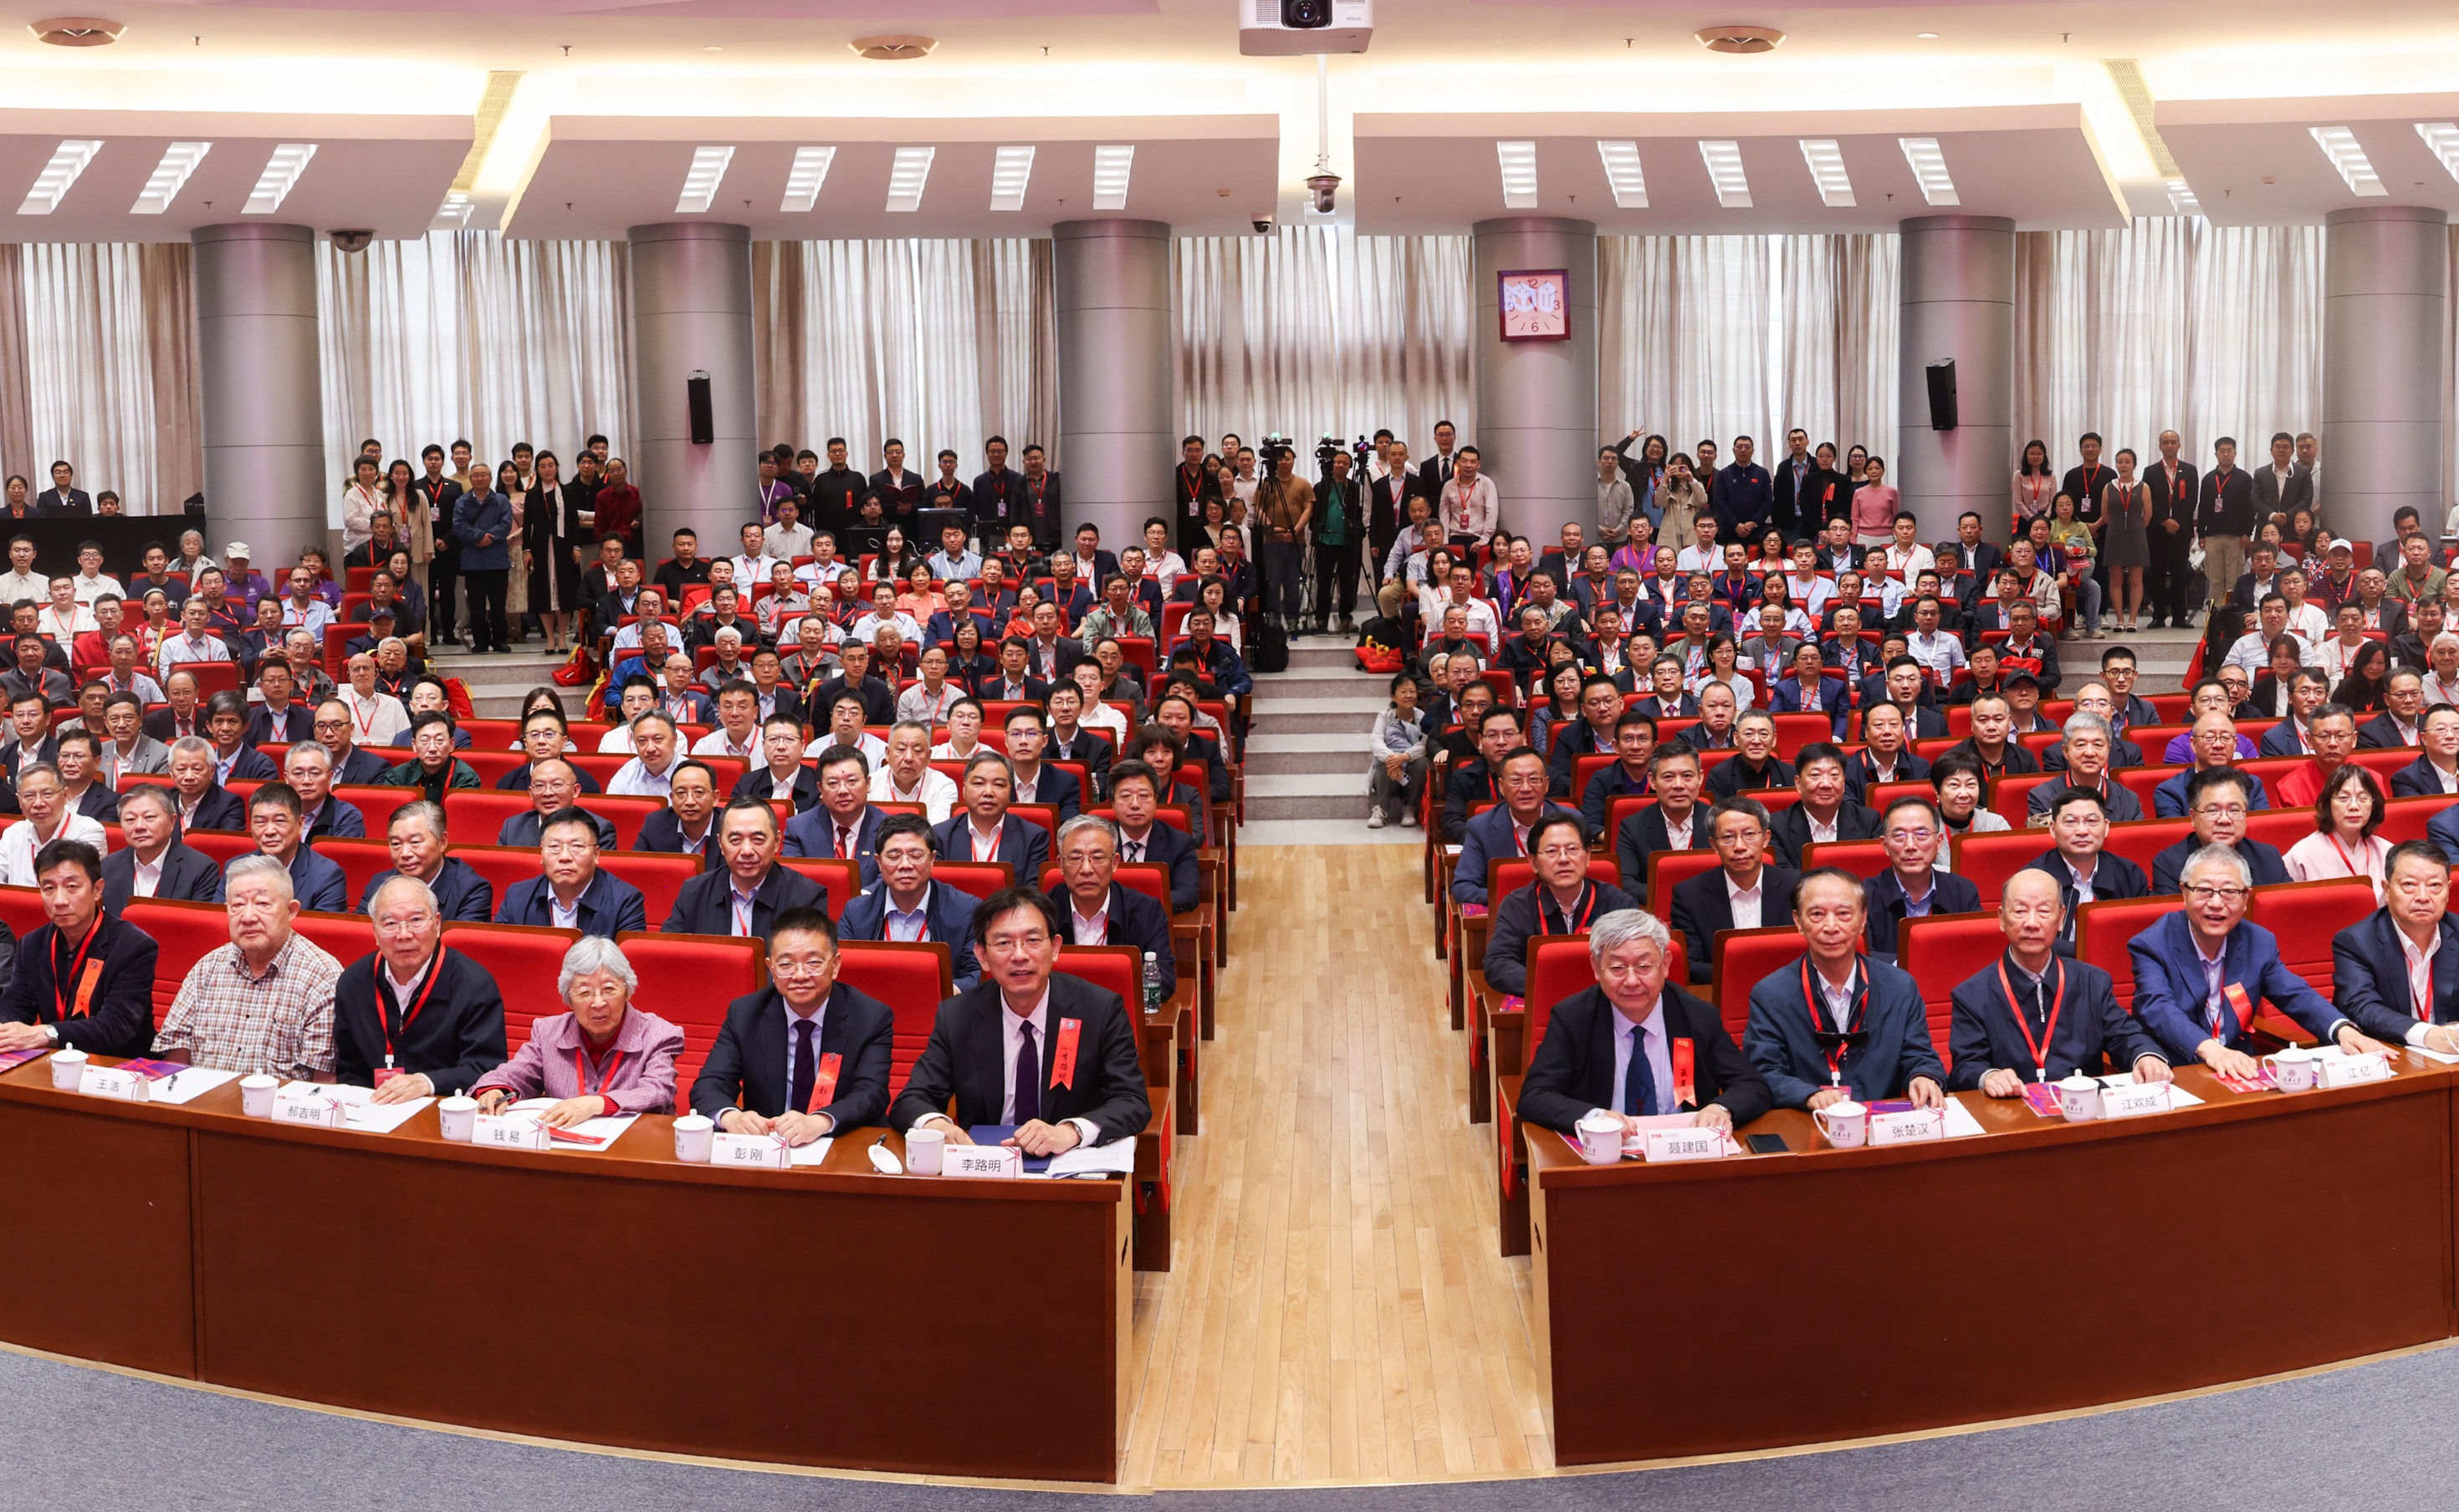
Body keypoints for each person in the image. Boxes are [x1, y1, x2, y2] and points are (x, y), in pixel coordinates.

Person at [887, 886, 1152, 1153]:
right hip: (987, 1165)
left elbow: (1132, 1101)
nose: (1019, 955)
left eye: (1033, 940)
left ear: (1056, 947)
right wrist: (938, 1125)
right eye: (1003, 943)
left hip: (1070, 1162)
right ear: (982, 957)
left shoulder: (1100, 1009)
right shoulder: (958, 1015)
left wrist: (1071, 1131)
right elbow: (912, 1099)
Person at [2131, 844, 2391, 1075]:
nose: (2216, 903)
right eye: (2204, 890)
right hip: (2174, 1069)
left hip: (2239, 1066)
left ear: (2246, 898)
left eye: (2229, 892)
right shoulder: (2153, 943)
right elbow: (2158, 1008)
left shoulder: (2258, 942)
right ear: (2184, 893)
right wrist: (2211, 1050)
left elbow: (2295, 994)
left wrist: (2342, 1030)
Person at [1516, 908, 1771, 1137]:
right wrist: (1594, 1117)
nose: (1631, 981)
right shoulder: (1573, 1019)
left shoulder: (1697, 1016)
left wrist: (1721, 1108)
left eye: (1644, 966)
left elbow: (1751, 1085)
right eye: (1617, 967)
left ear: (1666, 965)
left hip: (1684, 1154)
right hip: (1607, 1157)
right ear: (1596, 967)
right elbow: (1535, 1097)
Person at [1947, 869, 2172, 1093]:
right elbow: (1965, 1066)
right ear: (2002, 919)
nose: (2032, 923)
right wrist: (1989, 1076)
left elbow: (2126, 1037)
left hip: (2081, 1110)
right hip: (2010, 1109)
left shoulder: (2092, 982)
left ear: (2062, 918)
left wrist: (2146, 1057)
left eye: (2044, 911)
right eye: (2020, 911)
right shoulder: (1972, 995)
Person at [1744, 868, 1945, 1110]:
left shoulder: (1900, 987)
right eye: (1817, 914)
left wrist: (1923, 1076)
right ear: (1798, 922)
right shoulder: (1770, 995)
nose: (1831, 926)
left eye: (1844, 914)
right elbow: (1763, 1073)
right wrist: (1808, 1095)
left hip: (1881, 1123)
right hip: (1809, 1123)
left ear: (1862, 920)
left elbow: (1920, 1056)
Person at [689, 906, 896, 1142]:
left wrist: (820, 1121)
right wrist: (732, 1117)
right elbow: (709, 1084)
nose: (800, 975)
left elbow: (872, 1093)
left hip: (840, 1141)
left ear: (835, 965)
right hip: (769, 1146)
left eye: (813, 962)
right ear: (771, 969)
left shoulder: (870, 1017)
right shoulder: (745, 1013)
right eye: (786, 964)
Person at [156, 855, 342, 1080]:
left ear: (291, 911)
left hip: (277, 1110)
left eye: (262, 904)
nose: (248, 917)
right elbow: (177, 1055)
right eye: (237, 905)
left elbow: (323, 1080)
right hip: (202, 1106)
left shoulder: (322, 976)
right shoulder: (208, 968)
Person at [331, 874, 508, 1100]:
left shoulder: (475, 984)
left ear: (436, 924)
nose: (404, 935)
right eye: (390, 923)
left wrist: (428, 1082)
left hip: (446, 1108)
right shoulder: (353, 982)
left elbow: (486, 1066)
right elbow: (350, 1067)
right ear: (375, 932)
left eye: (416, 920)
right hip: (373, 1108)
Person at [470, 937, 685, 1122]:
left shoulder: (659, 1035)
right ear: (569, 1000)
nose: (598, 1003)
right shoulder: (548, 1032)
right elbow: (515, 1074)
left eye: (609, 989)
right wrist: (496, 1090)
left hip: (633, 1150)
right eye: (584, 992)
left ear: (628, 991)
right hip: (565, 1150)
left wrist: (596, 1104)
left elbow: (657, 1092)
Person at [1483, 814, 1637, 997]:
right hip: (1544, 1001)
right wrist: (1554, 986)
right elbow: (1498, 963)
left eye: (1572, 849)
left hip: (1606, 1005)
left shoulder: (1619, 904)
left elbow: (1636, 960)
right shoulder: (1517, 905)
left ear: (1588, 856)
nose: (1563, 859)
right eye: (1551, 851)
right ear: (1533, 862)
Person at [2331, 840, 2459, 1051]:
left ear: (2448, 890)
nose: (2423, 897)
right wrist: (2428, 1034)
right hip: (2389, 1053)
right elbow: (2362, 1007)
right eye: (2409, 885)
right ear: (2387, 889)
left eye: (2435, 885)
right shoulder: (2356, 941)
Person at [839, 814, 982, 988]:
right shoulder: (856, 912)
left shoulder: (966, 910)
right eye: (894, 856)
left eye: (915, 855)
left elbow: (977, 974)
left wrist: (944, 993)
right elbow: (842, 972)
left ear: (932, 860)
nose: (905, 865)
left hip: (942, 1010)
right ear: (879, 862)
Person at [1669, 798, 1800, 984]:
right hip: (1722, 996)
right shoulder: (1689, 895)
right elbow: (1689, 965)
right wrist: (1745, 974)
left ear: (1766, 838)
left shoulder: (1796, 886)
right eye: (1728, 837)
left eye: (1749, 834)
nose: (1740, 846)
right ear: (1714, 845)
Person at [1045, 814, 1175, 999]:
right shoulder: (1042, 913)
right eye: (1075, 858)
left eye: (1097, 857)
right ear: (1060, 864)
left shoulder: (1146, 910)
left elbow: (1164, 982)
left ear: (1114, 863)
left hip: (1120, 1017)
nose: (1086, 869)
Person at [664, 796, 829, 937]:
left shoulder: (806, 897)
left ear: (777, 842)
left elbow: (809, 966)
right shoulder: (694, 893)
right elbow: (671, 956)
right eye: (735, 840)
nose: (747, 851)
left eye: (758, 839)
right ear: (721, 843)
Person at [1450, 748, 1576, 909]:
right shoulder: (1481, 827)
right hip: (1509, 917)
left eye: (1534, 779)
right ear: (1502, 786)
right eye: (1516, 780)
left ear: (1546, 785)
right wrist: (1518, 900)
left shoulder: (1572, 821)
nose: (1525, 788)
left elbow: (1585, 878)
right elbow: (1463, 888)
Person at [496, 807, 647, 936]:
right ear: (542, 852)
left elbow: (626, 967)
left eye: (577, 846)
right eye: (555, 847)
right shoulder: (517, 896)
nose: (565, 857)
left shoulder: (625, 901)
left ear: (596, 854)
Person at [1863, 794, 1981, 958]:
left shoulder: (1963, 892)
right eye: (1899, 836)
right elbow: (1862, 959)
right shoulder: (1865, 897)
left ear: (1939, 842)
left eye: (1921, 834)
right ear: (1885, 845)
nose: (1910, 846)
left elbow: (1977, 954)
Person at [2151, 767, 2289, 892]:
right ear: (2193, 817)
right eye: (2213, 811)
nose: (2224, 820)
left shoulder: (2268, 858)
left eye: (2234, 810)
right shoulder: (2168, 865)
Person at [357, 799, 492, 922]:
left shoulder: (471, 890)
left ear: (442, 842)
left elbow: (458, 947)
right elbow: (361, 937)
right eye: (396, 844)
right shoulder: (379, 884)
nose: (405, 854)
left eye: (415, 842)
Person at [99, 783, 221, 914]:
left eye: (149, 817)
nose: (139, 826)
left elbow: (197, 927)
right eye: (130, 819)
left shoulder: (200, 869)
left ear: (172, 821)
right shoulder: (107, 866)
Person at [931, 750, 1050, 876]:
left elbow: (1031, 893)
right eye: (979, 783)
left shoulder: (1033, 837)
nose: (988, 792)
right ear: (964, 790)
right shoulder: (940, 836)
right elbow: (939, 890)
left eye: (998, 785)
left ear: (1010, 791)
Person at [233, 783, 347, 912]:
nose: (269, 831)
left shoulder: (326, 875)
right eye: (260, 822)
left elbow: (321, 931)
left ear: (300, 824)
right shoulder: (235, 869)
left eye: (279, 821)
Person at [2283, 764, 2391, 896]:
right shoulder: (2301, 856)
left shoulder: (2387, 851)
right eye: (2343, 798)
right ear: (2328, 804)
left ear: (2373, 804)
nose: (2354, 806)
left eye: (2362, 798)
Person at [1766, 743, 1879, 867]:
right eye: (1815, 775)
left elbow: (1874, 872)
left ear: (1843, 782)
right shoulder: (1777, 826)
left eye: (1834, 775)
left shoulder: (1869, 821)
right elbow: (1782, 876)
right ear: (1798, 783)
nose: (1826, 784)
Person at [0, 764, 105, 886]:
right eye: (29, 796)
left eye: (47, 794)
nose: (38, 803)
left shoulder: (88, 831)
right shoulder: (13, 833)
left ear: (65, 795)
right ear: (19, 800)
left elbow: (74, 887)